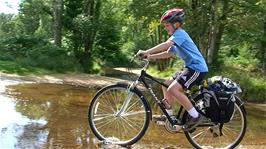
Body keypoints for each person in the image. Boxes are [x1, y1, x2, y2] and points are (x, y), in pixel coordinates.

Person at [137, 8, 208, 130]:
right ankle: (168, 116)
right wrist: (149, 56)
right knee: (165, 85)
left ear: (176, 24)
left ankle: (195, 116)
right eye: (164, 26)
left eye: (167, 25)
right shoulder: (176, 37)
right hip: (189, 68)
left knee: (173, 89)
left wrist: (146, 51)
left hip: (197, 68)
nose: (165, 28)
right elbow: (168, 53)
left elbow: (166, 45)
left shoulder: (180, 34)